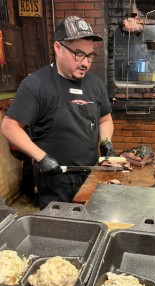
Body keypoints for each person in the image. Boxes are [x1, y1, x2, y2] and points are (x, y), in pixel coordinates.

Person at [0, 16, 115, 209]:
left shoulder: (95, 84)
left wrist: (106, 142)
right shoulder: (35, 84)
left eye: (90, 56)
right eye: (78, 54)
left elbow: (105, 120)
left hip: (91, 175)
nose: (85, 63)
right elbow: (10, 127)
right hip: (55, 179)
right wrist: (42, 158)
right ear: (58, 48)